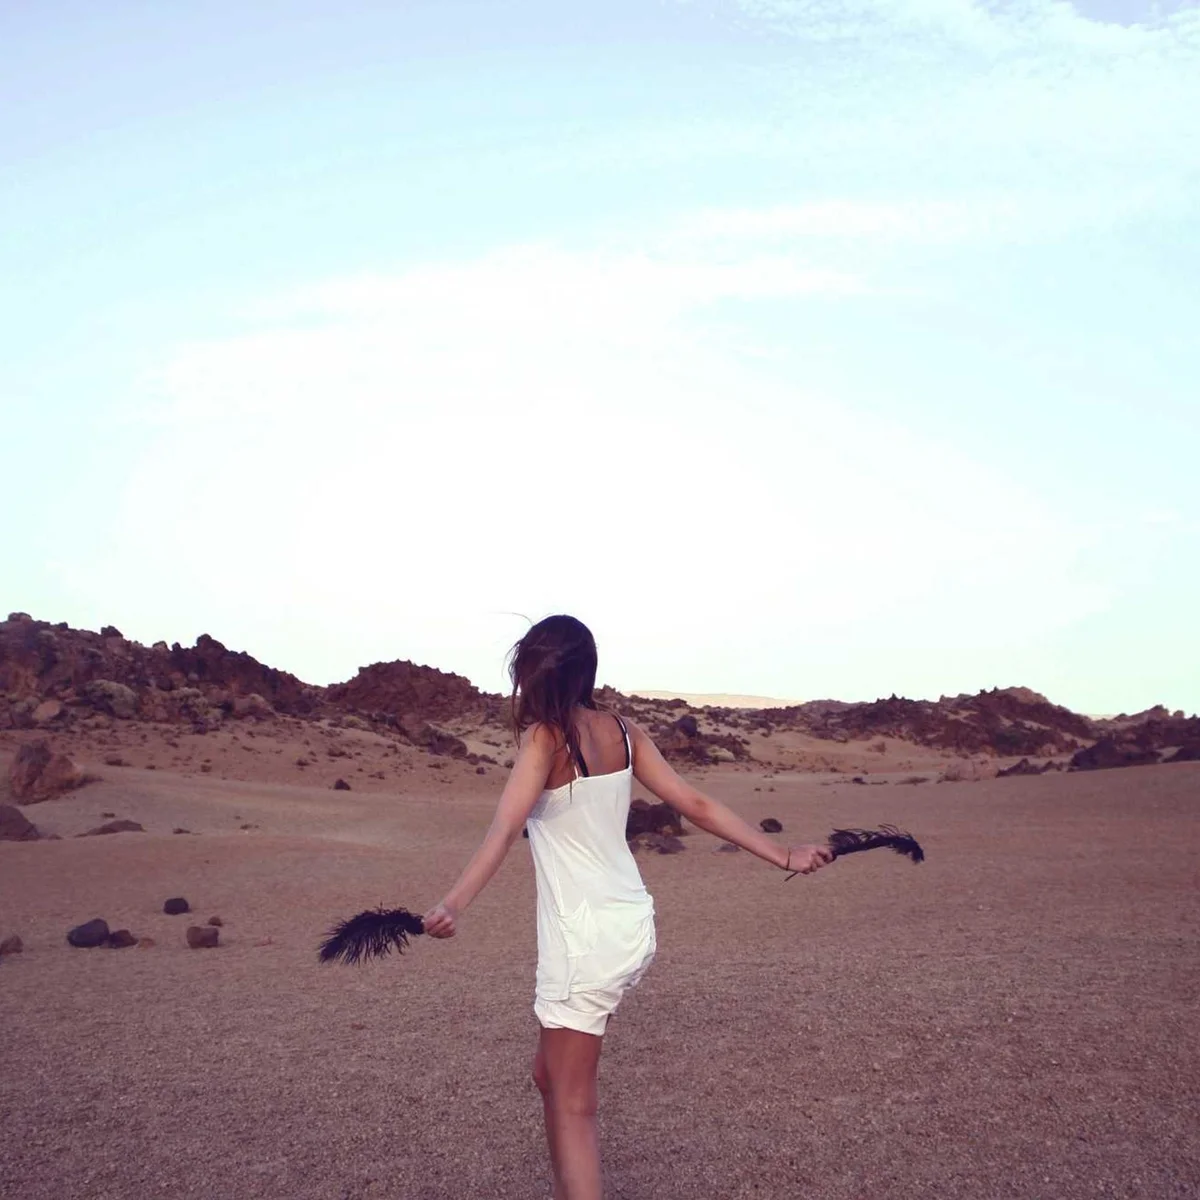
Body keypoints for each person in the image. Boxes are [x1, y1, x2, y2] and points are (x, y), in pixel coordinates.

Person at [422, 615, 834, 1200]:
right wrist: (782, 854)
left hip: (582, 938)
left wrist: (453, 904)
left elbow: (503, 828)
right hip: (629, 923)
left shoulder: (545, 738)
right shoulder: (624, 729)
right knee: (551, 1075)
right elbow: (693, 802)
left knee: (574, 1105)